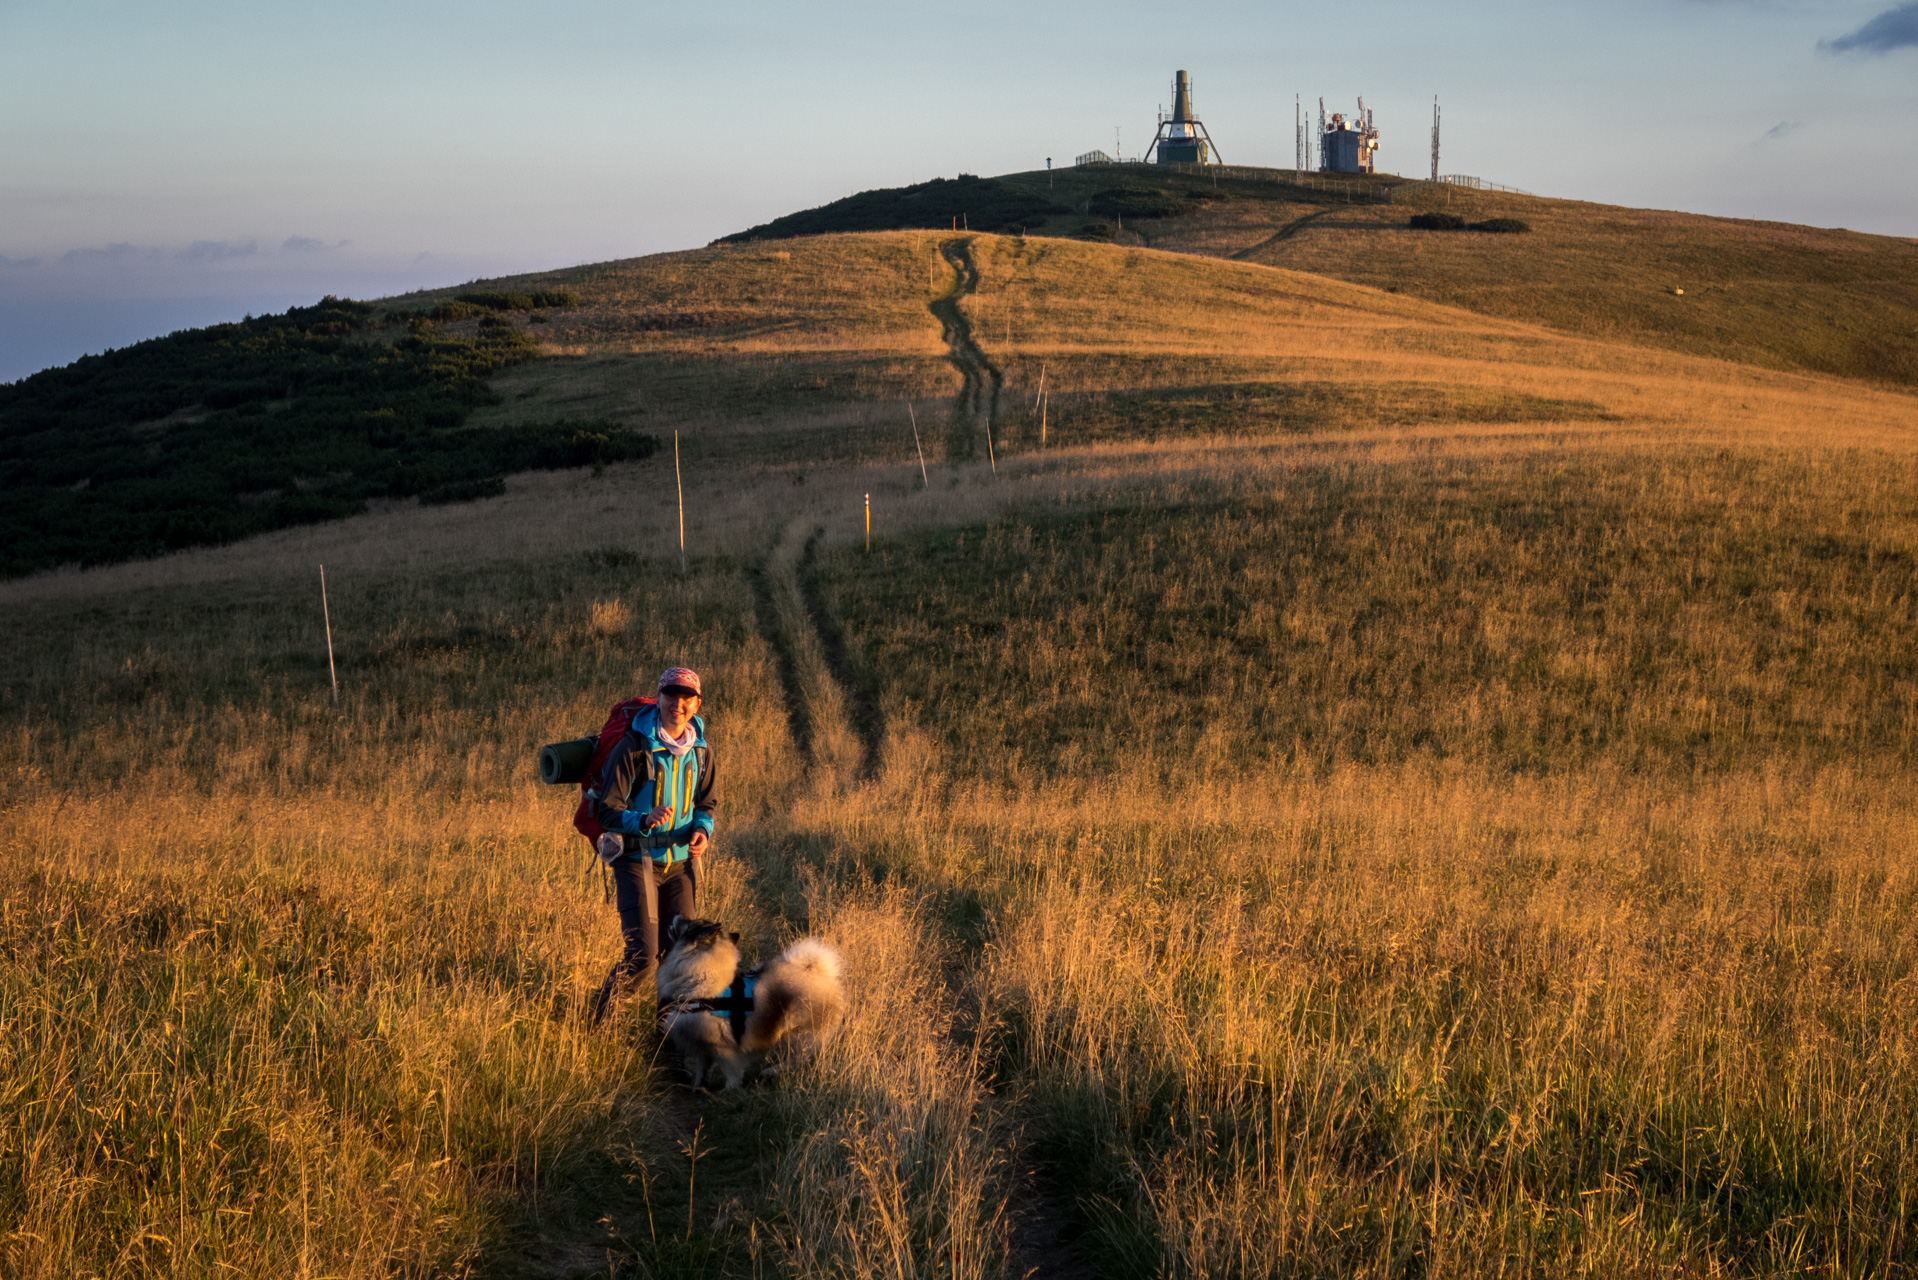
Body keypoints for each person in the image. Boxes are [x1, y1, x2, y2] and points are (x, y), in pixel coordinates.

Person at [588, 666, 718, 1024]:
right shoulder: (633, 746)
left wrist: (702, 832)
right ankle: (599, 1020)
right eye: (671, 695)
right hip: (635, 860)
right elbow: (607, 811)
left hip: (680, 864)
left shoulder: (701, 751)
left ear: (697, 703)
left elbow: (707, 803)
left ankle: (669, 1034)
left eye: (686, 697)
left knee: (680, 954)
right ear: (659, 697)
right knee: (643, 956)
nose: (678, 703)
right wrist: (642, 820)